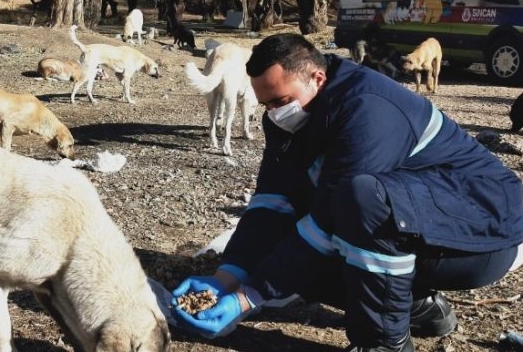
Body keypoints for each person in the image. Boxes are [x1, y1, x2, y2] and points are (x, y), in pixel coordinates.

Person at [171, 33, 523, 351]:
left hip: (484, 232)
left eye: (280, 101)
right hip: (420, 221)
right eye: (266, 104)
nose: (273, 114)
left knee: (357, 204)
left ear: (317, 78)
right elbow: (270, 200)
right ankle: (418, 307)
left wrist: (249, 296)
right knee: (297, 247)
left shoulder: (366, 107)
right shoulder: (289, 115)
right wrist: (227, 276)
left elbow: (333, 217)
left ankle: (384, 343)